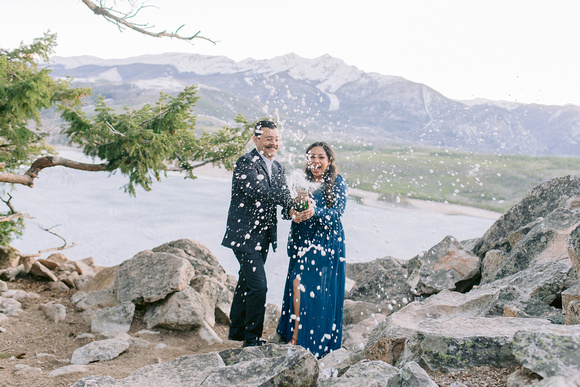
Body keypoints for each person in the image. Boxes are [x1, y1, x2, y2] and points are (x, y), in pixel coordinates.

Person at [222, 120, 293, 347]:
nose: (274, 144)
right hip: (243, 236)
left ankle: (237, 331)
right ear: (256, 139)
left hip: (263, 237)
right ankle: (251, 339)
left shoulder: (279, 168)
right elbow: (260, 192)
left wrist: (293, 209)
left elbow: (281, 200)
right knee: (259, 286)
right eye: (269, 139)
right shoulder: (245, 163)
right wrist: (290, 201)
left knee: (246, 282)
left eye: (277, 139)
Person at [276, 141, 348, 358]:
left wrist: (314, 211)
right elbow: (285, 209)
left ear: (329, 160)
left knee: (303, 282)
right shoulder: (300, 180)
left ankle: (299, 337)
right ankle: (300, 332)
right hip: (302, 239)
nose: (316, 161)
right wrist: (293, 212)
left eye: (321, 157)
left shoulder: (338, 183)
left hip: (326, 241)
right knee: (300, 284)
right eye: (312, 156)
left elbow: (337, 213)